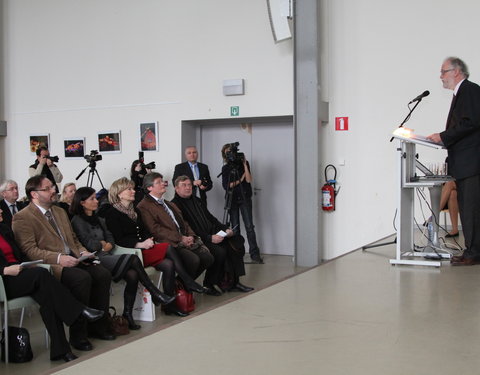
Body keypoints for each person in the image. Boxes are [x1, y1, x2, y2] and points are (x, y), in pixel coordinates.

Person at [12, 175, 114, 352]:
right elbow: (30, 251)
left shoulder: (59, 211)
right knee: (82, 278)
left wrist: (82, 251)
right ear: (34, 194)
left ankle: (98, 327)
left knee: (102, 274)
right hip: (52, 265)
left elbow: (73, 239)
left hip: (74, 257)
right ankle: (78, 335)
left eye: (53, 187)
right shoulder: (23, 217)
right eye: (48, 188)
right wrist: (59, 258)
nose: (54, 191)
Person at [0, 209, 104, 362]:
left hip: (21, 273)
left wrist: (28, 264)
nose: (2, 209)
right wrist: (4, 269)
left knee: (49, 298)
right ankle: (79, 311)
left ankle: (61, 351)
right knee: (42, 276)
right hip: (3, 279)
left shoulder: (3, 228)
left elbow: (20, 254)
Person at [70, 186, 175, 329]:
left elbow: (110, 238)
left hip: (108, 254)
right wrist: (101, 245)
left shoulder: (99, 218)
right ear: (82, 203)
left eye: (96, 197)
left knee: (132, 275)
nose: (97, 201)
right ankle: (154, 291)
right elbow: (86, 242)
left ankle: (128, 315)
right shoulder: (77, 221)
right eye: (92, 199)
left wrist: (106, 244)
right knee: (133, 259)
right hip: (94, 258)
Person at [104, 177, 206, 317]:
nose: (133, 191)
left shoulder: (135, 211)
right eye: (129, 189)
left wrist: (148, 240)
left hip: (144, 249)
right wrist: (140, 244)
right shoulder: (112, 213)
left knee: (169, 264)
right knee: (167, 248)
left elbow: (145, 231)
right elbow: (119, 239)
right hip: (131, 253)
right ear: (119, 193)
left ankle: (169, 305)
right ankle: (187, 281)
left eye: (133, 188)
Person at [427, 57, 480, 265]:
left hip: (471, 161)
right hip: (465, 162)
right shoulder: (462, 93)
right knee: (469, 208)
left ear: (456, 71)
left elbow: (471, 122)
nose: (441, 77)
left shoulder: (469, 90)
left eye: (443, 72)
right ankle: (472, 250)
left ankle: (473, 253)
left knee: (471, 209)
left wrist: (444, 136)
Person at [172, 176, 254, 293]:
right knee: (219, 251)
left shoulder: (197, 200)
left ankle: (233, 282)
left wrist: (226, 229)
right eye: (184, 185)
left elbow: (211, 218)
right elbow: (187, 229)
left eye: (189, 185)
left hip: (212, 233)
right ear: (176, 188)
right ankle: (209, 283)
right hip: (197, 238)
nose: (188, 187)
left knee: (236, 243)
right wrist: (209, 238)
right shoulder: (175, 205)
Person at [137, 172, 215, 286]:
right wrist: (180, 238)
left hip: (183, 240)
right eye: (158, 182)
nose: (163, 184)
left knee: (208, 258)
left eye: (162, 181)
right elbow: (156, 230)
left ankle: (181, 285)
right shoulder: (144, 206)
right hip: (169, 243)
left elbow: (184, 222)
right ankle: (185, 286)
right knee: (193, 260)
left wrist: (191, 236)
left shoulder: (168, 203)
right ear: (149, 187)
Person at [221, 143, 264, 264]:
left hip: (245, 198)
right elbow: (226, 186)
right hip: (232, 199)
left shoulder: (243, 164)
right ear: (224, 155)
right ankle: (237, 254)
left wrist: (245, 165)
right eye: (227, 152)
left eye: (231, 151)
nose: (230, 154)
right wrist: (240, 180)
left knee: (250, 227)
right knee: (235, 228)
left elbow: (249, 179)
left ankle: (254, 254)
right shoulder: (226, 168)